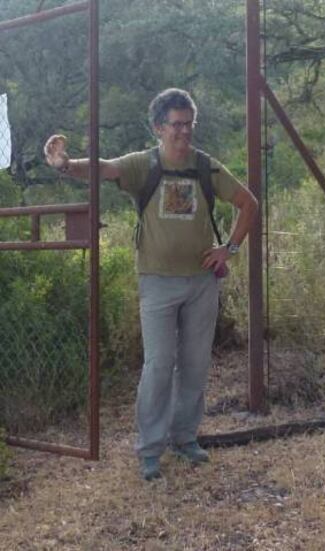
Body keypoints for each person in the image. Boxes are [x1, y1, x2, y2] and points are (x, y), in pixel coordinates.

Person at [44, 88, 258, 480]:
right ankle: (149, 450)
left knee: (194, 365)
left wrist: (229, 248)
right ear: (159, 127)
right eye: (175, 125)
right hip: (157, 283)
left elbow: (249, 203)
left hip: (201, 282)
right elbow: (104, 167)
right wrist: (65, 164)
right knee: (160, 365)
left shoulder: (206, 167)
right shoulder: (144, 164)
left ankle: (185, 438)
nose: (183, 132)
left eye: (188, 124)